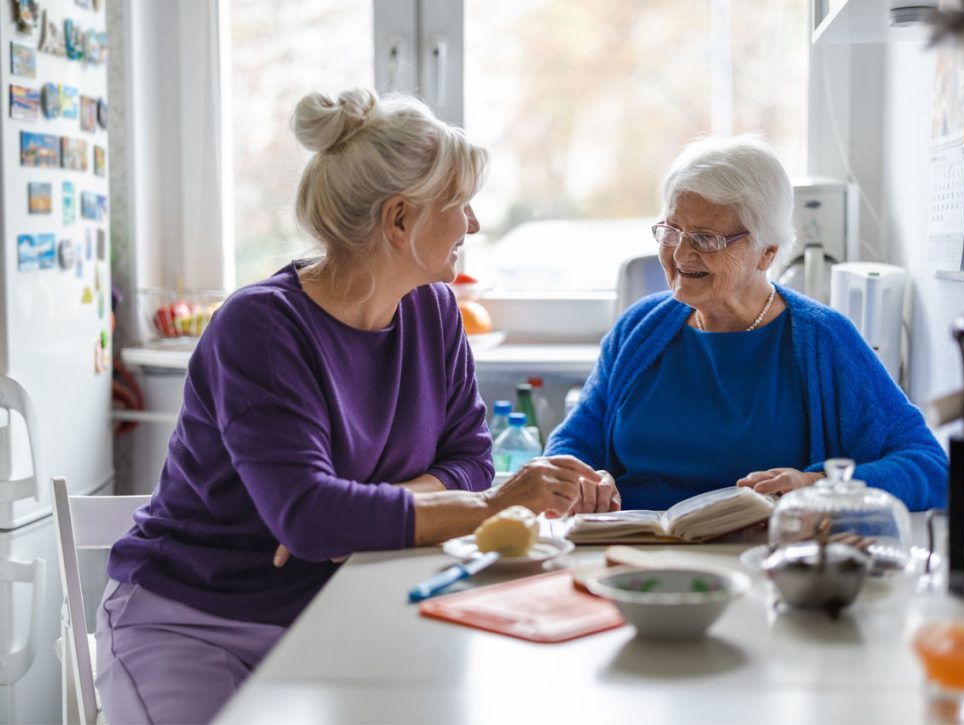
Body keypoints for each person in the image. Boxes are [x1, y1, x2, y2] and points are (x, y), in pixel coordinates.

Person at [95, 88, 601, 725]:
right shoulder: (260, 326)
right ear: (399, 221)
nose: (472, 226)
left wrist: (360, 512)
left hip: (337, 609)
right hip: (196, 621)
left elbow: (469, 455)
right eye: (460, 205)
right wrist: (491, 507)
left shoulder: (433, 310)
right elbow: (310, 518)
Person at [546, 135, 947, 513]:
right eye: (672, 231)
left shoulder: (823, 339)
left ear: (766, 252)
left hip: (761, 565)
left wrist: (818, 487)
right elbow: (572, 443)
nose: (681, 253)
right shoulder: (640, 327)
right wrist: (584, 479)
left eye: (705, 238)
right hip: (631, 555)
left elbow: (930, 467)